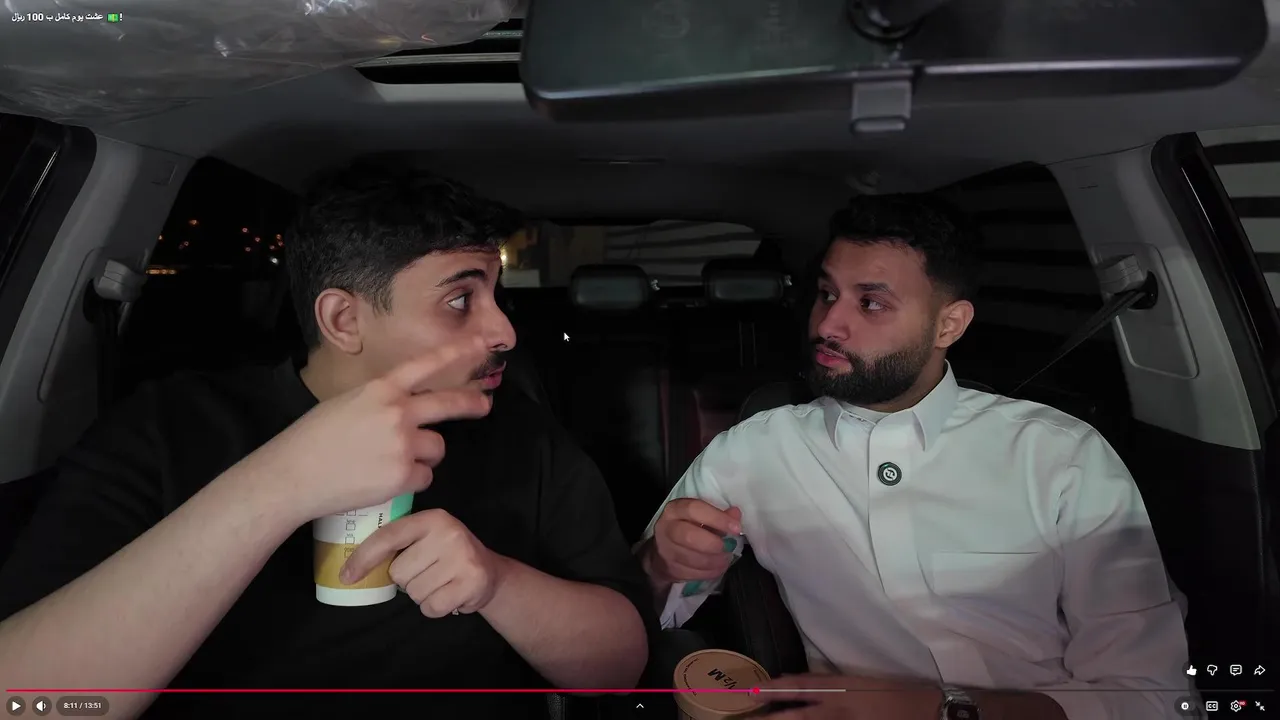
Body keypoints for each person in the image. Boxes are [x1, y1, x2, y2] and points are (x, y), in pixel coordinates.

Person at [0, 163, 653, 719]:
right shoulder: (169, 429)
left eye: (495, 293)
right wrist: (280, 482)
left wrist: (498, 583)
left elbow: (619, 670)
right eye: (460, 300)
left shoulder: (517, 431)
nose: (505, 330)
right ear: (344, 320)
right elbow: (26, 702)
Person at [636, 194, 1189, 719]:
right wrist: (662, 566)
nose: (827, 325)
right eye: (827, 293)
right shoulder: (754, 449)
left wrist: (938, 710)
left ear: (949, 324)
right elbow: (645, 613)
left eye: (871, 303)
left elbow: (1151, 697)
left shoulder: (1060, 455)